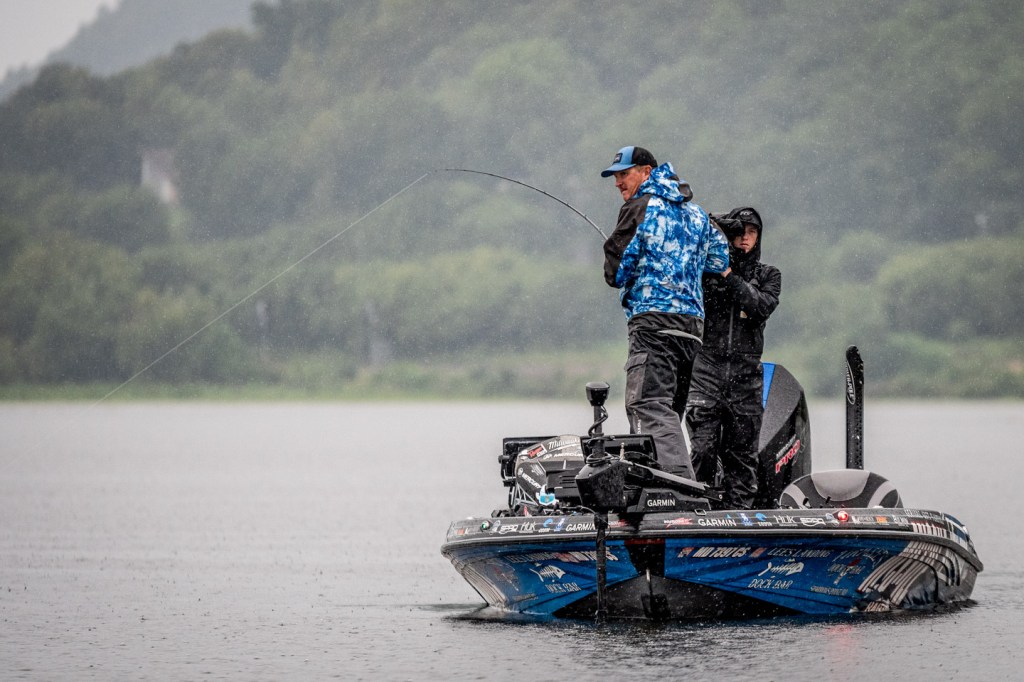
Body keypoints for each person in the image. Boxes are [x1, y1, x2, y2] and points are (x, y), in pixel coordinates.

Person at [601, 146, 729, 478]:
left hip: (653, 325)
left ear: (646, 171)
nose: (618, 182)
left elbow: (615, 273)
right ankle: (664, 487)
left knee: (648, 405)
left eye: (624, 174)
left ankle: (682, 490)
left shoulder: (639, 207)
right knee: (669, 413)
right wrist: (684, 267)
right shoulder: (697, 213)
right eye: (615, 176)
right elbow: (720, 259)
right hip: (691, 329)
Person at [685, 207, 781, 509]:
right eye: (739, 232)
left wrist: (729, 275)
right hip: (706, 370)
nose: (745, 238)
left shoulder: (768, 275)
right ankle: (697, 511)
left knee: (741, 456)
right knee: (703, 449)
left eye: (752, 232)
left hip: (746, 377)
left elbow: (759, 306)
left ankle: (739, 516)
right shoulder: (704, 274)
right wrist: (713, 229)